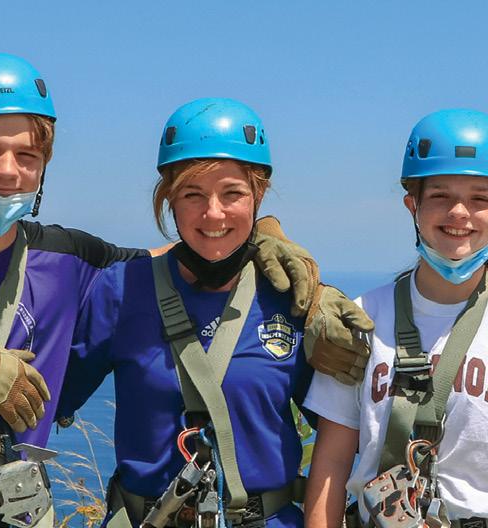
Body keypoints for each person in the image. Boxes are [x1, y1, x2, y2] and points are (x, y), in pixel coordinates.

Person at [0, 55, 356, 528]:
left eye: (27, 154)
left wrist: (280, 250)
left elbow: (196, 248)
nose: (8, 170)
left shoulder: (71, 261)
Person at [56, 98, 371, 528]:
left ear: (259, 195)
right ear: (169, 198)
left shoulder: (292, 299)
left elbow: (346, 432)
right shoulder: (122, 290)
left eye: (233, 193)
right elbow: (48, 398)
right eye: (193, 195)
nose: (213, 213)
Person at [304, 109, 488, 528]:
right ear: (412, 205)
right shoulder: (362, 319)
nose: (459, 213)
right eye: (439, 196)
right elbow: (331, 461)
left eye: (479, 198)